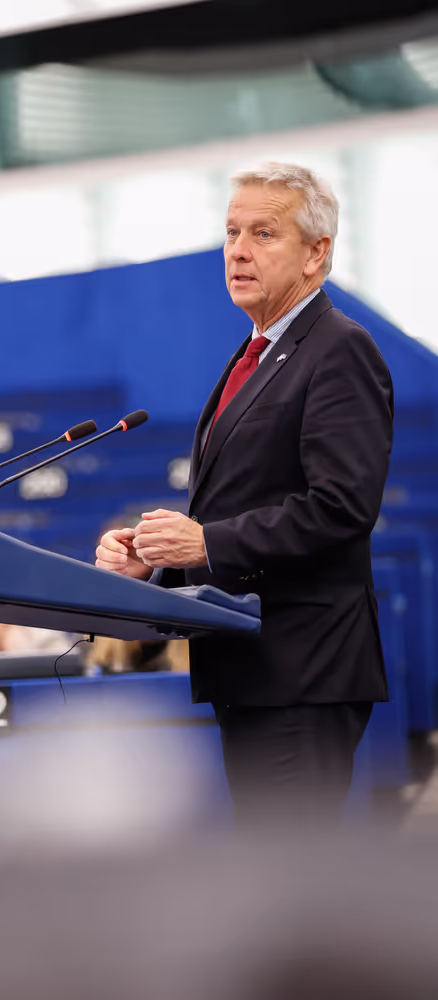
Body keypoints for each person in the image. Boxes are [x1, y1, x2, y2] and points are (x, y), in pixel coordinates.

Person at [96, 162, 394, 825]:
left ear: (316, 252)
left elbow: (340, 507)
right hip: (252, 667)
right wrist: (160, 558)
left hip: (302, 671)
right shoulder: (249, 355)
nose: (237, 250)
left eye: (263, 233)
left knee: (293, 888)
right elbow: (234, 510)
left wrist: (207, 541)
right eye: (231, 232)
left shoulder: (339, 350)